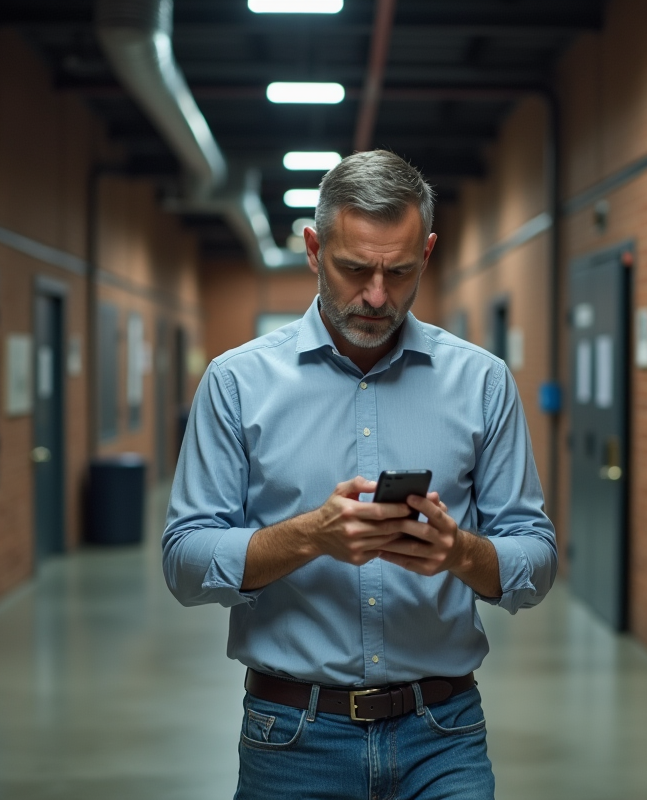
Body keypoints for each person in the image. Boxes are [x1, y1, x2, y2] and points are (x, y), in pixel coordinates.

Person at [163, 149, 557, 800]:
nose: (376, 297)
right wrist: (311, 536)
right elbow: (183, 561)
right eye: (354, 269)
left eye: (399, 273)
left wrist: (459, 552)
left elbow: (536, 560)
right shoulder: (237, 383)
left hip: (444, 733)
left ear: (426, 255)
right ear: (315, 249)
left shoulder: (481, 382)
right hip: (292, 736)